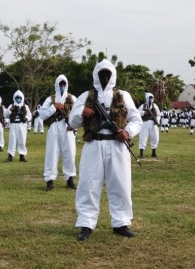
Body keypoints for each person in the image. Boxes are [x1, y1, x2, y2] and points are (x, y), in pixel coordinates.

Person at [68, 59, 142, 241]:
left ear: (113, 76)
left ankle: (121, 223)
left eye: (108, 74)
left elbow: (136, 120)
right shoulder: (86, 96)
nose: (104, 78)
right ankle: (86, 223)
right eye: (101, 74)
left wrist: (127, 131)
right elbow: (72, 121)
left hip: (117, 145)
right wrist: (81, 113)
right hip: (94, 144)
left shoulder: (123, 95)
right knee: (88, 183)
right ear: (96, 75)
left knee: (120, 184)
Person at [39, 75, 78, 191]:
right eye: (60, 84)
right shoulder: (50, 99)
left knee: (70, 153)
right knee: (51, 153)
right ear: (57, 84)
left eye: (63, 84)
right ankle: (49, 181)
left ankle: (70, 179)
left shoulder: (72, 98)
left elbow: (77, 113)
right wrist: (54, 107)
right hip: (54, 127)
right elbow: (42, 114)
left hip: (68, 127)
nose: (62, 86)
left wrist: (73, 125)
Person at [4, 90, 32, 162]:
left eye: (19, 98)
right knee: (12, 140)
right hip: (13, 124)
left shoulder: (25, 106)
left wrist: (26, 118)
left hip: (22, 125)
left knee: (22, 140)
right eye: (16, 98)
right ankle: (10, 156)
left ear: (22, 98)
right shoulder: (11, 106)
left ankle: (22, 156)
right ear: (14, 98)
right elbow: (5, 115)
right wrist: (10, 110)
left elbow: (30, 115)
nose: (18, 99)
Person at [138, 92, 160, 158]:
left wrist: (157, 121)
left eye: (151, 98)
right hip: (145, 123)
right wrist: (144, 112)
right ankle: (141, 153)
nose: (151, 99)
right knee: (143, 137)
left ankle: (154, 152)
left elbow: (158, 114)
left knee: (155, 137)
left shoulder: (155, 106)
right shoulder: (143, 106)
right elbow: (137, 112)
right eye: (149, 98)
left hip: (153, 123)